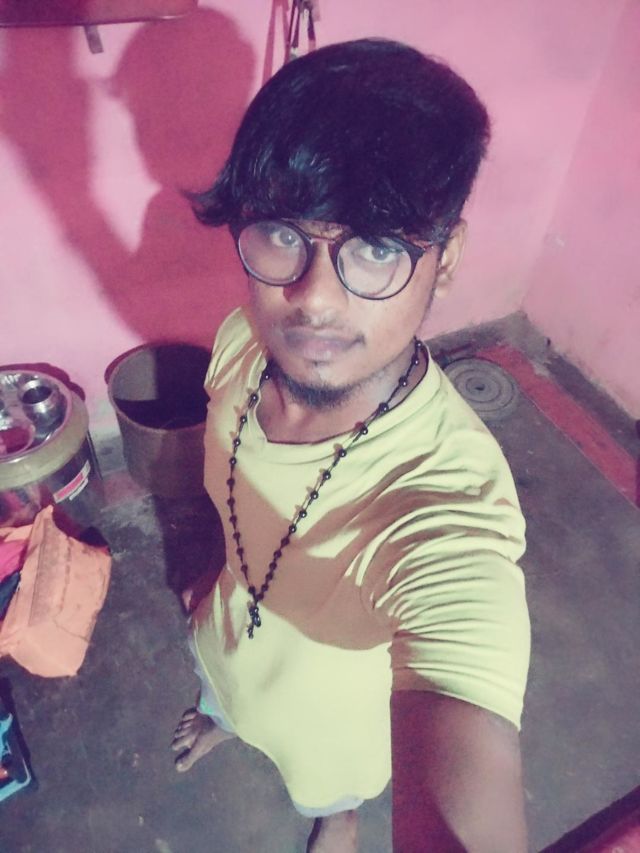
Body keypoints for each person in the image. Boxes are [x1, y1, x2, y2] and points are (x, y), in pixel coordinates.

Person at [171, 38, 530, 852]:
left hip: (330, 726)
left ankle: (338, 819)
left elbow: (463, 667)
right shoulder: (239, 343)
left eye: (375, 246)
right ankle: (225, 719)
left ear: (445, 261)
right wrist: (224, 575)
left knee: (324, 788)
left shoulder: (444, 502)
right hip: (223, 641)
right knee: (223, 694)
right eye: (280, 232)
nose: (314, 299)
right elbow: (240, 494)